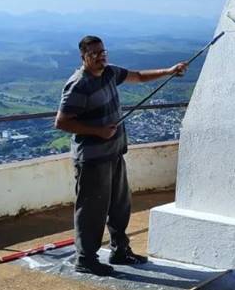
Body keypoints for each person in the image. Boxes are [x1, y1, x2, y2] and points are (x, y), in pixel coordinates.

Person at [55, 35, 187, 276]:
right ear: (83, 57)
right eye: (94, 53)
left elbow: (137, 76)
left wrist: (168, 71)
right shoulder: (78, 84)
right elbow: (62, 122)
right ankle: (85, 259)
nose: (100, 56)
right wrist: (98, 131)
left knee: (119, 205)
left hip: (114, 153)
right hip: (93, 159)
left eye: (102, 51)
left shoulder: (109, 73)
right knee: (92, 210)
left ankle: (120, 250)